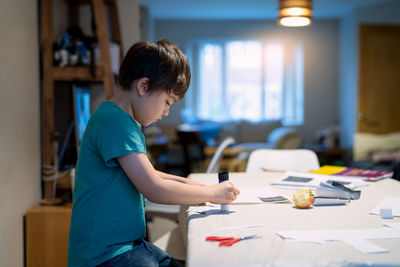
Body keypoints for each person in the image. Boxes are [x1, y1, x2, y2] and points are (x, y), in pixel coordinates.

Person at [67, 40, 240, 267]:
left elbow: (151, 173)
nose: (167, 112)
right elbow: (153, 188)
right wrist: (211, 194)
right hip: (103, 253)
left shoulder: (126, 121)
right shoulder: (115, 122)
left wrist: (197, 187)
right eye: (167, 102)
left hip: (126, 244)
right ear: (143, 86)